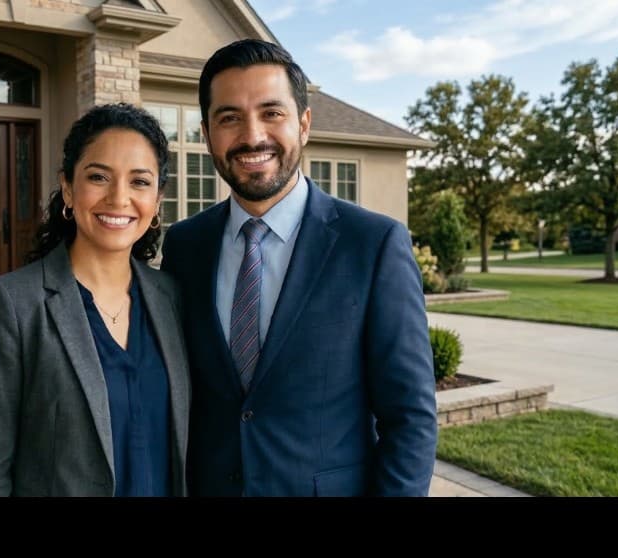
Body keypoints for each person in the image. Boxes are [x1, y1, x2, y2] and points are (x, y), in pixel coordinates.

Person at [161, 39, 437, 496]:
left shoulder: (373, 244)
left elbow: (410, 417)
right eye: (229, 117)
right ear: (207, 135)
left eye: (272, 113)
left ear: (304, 124)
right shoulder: (185, 246)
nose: (252, 136)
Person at [0, 103, 190, 496]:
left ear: (157, 200)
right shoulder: (14, 305)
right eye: (99, 177)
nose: (119, 198)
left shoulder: (170, 297)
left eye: (139, 182)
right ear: (68, 187)